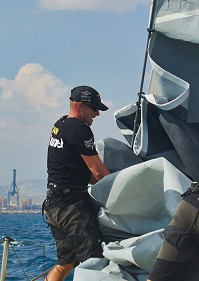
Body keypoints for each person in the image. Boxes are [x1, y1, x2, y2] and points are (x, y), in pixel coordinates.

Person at [44, 85, 111, 281]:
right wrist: (124, 191)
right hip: (72, 207)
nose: (97, 114)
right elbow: (98, 173)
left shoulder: (60, 124)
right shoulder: (80, 129)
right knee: (93, 260)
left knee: (66, 261)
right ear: (80, 106)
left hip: (54, 206)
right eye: (94, 108)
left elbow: (75, 166)